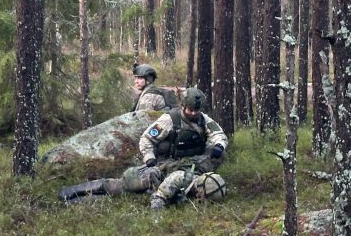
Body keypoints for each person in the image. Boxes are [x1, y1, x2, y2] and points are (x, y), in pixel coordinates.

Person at [59, 88, 228, 208]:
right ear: (183, 106)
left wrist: (219, 146)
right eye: (190, 110)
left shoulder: (203, 120)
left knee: (138, 195)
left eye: (196, 111)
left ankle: (84, 201)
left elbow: (218, 134)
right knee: (128, 185)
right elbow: (147, 139)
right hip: (165, 164)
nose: (193, 113)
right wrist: (149, 159)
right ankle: (75, 192)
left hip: (190, 166)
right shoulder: (169, 120)